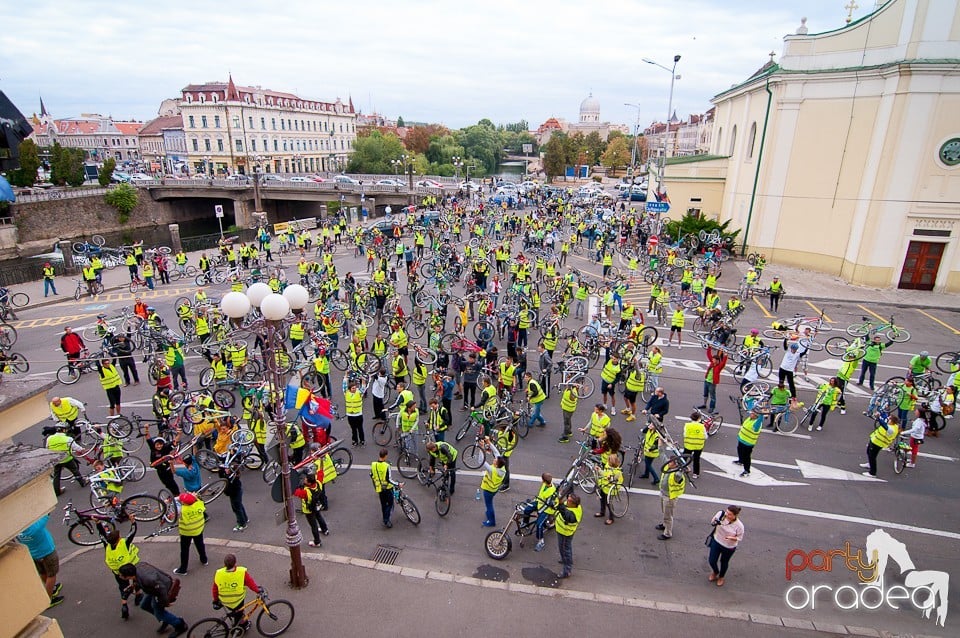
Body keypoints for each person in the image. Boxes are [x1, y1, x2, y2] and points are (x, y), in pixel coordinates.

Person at [117, 562, 188, 637]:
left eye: (121, 575)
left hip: (162, 591)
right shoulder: (138, 567)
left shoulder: (147, 580)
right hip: (153, 589)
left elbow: (162, 589)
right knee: (144, 605)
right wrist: (133, 586)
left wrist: (165, 602)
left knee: (159, 612)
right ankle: (165, 618)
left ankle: (180, 625)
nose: (120, 576)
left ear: (128, 576)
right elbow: (141, 581)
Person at [17, 515, 62, 608]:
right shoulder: (35, 527)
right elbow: (47, 512)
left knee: (43, 572)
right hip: (47, 552)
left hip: (34, 555)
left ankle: (50, 589)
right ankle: (49, 599)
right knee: (52, 575)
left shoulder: (19, 531)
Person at [212, 554, 263, 630]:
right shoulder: (241, 572)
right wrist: (258, 590)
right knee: (238, 615)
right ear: (235, 563)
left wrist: (216, 600)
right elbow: (250, 583)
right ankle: (238, 629)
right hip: (238, 600)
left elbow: (215, 589)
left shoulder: (219, 573)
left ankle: (242, 622)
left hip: (225, 601)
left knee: (236, 613)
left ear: (224, 564)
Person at [102, 525, 139, 619]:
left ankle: (124, 605)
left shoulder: (107, 546)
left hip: (118, 572)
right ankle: (138, 596)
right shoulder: (124, 544)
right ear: (118, 539)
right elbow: (132, 532)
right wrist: (133, 522)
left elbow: (101, 535)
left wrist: (98, 524)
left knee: (123, 587)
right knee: (136, 581)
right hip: (131, 568)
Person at [707, 505, 745, 587]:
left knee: (724, 562)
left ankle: (721, 577)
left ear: (735, 516)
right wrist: (715, 522)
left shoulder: (739, 526)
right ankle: (715, 571)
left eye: (730, 514)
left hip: (728, 547)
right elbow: (712, 522)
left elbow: (739, 538)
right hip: (717, 541)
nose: (727, 515)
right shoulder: (721, 514)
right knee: (712, 560)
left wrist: (731, 538)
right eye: (727, 512)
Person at [46, 424, 87, 496]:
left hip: (56, 460)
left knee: (56, 475)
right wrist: (82, 449)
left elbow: (47, 447)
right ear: (63, 430)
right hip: (67, 459)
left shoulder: (50, 438)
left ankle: (57, 491)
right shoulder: (68, 439)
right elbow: (75, 447)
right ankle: (82, 482)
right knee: (75, 471)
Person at [174, 492, 208, 575]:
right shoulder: (199, 504)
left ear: (184, 503)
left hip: (186, 532)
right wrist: (194, 496)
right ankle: (204, 560)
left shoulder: (182, 510)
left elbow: (173, 510)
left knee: (184, 550)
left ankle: (183, 569)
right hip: (198, 529)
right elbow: (196, 499)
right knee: (200, 544)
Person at [522, 473, 557, 552]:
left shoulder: (551, 492)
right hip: (540, 503)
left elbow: (547, 505)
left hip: (546, 509)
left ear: (544, 481)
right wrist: (533, 502)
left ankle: (541, 541)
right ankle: (525, 523)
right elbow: (540, 496)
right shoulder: (546, 485)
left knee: (539, 525)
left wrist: (539, 512)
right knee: (527, 509)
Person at [293, 474, 330, 547]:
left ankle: (317, 542)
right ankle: (325, 530)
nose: (304, 480)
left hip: (309, 510)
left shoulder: (306, 492)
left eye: (306, 480)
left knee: (314, 526)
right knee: (319, 517)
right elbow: (320, 473)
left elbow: (296, 492)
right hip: (316, 506)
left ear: (309, 483)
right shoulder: (319, 483)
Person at [555, 492, 582, 579]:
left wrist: (560, 504)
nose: (567, 501)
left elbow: (565, 514)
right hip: (562, 531)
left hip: (565, 533)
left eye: (569, 500)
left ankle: (567, 570)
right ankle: (564, 559)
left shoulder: (573, 515)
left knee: (565, 550)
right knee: (564, 549)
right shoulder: (571, 506)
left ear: (574, 504)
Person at [657, 459, 686, 540]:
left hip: (669, 498)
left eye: (670, 462)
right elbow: (662, 455)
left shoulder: (677, 474)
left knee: (668, 516)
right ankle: (664, 525)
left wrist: (682, 469)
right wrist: (660, 447)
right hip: (663, 494)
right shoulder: (668, 468)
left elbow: (679, 476)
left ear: (675, 465)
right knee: (664, 512)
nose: (668, 463)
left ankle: (667, 533)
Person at [480, 437, 506, 527]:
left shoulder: (492, 470)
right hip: (494, 489)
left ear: (497, 464)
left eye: (495, 460)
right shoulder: (502, 468)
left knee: (489, 506)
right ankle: (489, 516)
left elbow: (481, 461)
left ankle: (491, 521)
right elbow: (496, 453)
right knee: (489, 504)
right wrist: (489, 443)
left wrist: (482, 448)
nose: (494, 459)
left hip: (488, 490)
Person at [595, 454, 623, 525]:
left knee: (609, 504)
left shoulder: (618, 472)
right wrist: (599, 471)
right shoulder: (608, 467)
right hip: (604, 487)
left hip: (610, 490)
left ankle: (611, 518)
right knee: (602, 500)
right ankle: (602, 512)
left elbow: (614, 479)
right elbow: (605, 474)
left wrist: (608, 477)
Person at [370, 448, 395, 528]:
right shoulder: (387, 466)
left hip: (379, 488)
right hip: (387, 488)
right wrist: (398, 484)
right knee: (390, 504)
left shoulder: (374, 464)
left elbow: (371, 475)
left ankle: (385, 518)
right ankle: (386, 520)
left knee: (383, 504)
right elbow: (389, 479)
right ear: (385, 456)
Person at [699, 346, 727, 414]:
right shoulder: (712, 363)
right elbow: (709, 355)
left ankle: (712, 407)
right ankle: (704, 404)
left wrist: (725, 356)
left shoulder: (719, 366)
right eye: (713, 359)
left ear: (717, 361)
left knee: (712, 396)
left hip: (712, 383)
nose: (712, 360)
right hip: (707, 381)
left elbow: (723, 363)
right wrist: (709, 347)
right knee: (705, 394)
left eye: (714, 359)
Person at [734, 410, 762, 477]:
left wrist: (762, 415)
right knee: (739, 450)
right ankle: (740, 461)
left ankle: (747, 470)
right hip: (742, 439)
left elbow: (759, 422)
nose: (750, 414)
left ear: (756, 416)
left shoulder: (757, 424)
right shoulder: (750, 419)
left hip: (748, 443)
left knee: (746, 456)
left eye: (752, 414)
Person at [221, 463, 249, 532]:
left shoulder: (232, 479)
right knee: (240, 506)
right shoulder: (234, 477)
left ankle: (242, 524)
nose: (225, 470)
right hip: (237, 493)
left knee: (236, 509)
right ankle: (245, 519)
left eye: (227, 469)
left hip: (234, 494)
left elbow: (228, 487)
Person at [682, 412, 707, 479]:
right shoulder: (702, 426)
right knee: (696, 459)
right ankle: (696, 473)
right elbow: (705, 436)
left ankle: (681, 468)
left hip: (688, 445)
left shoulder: (687, 425)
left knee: (684, 457)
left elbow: (684, 434)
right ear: (699, 419)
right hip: (698, 446)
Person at [637, 420, 661, 485]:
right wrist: (648, 427)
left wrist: (649, 450)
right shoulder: (649, 430)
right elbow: (643, 431)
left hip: (652, 453)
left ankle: (656, 478)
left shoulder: (656, 435)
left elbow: (655, 445)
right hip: (647, 451)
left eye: (652, 425)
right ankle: (646, 474)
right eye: (650, 424)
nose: (650, 425)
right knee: (648, 463)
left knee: (648, 464)